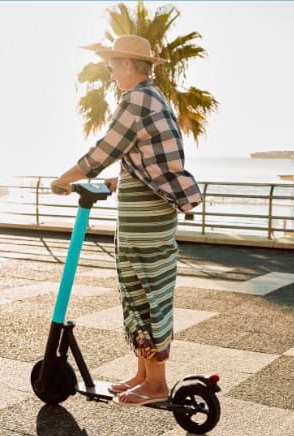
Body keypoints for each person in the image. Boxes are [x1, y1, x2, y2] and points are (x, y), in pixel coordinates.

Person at [51, 35, 202, 407]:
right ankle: (143, 374)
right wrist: (122, 179)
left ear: (131, 66)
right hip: (145, 208)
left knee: (147, 291)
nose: (111, 70)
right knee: (137, 289)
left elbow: (105, 149)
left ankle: (156, 385)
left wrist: (64, 178)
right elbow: (147, 157)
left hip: (146, 216)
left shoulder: (135, 100)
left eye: (114, 64)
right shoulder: (153, 97)